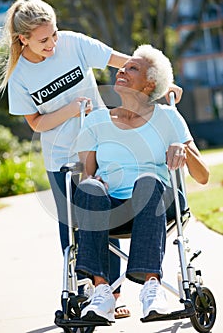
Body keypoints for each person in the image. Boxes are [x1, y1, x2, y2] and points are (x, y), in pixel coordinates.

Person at [0, 0, 183, 319]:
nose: (53, 43)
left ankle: (113, 291)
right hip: (60, 156)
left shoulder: (74, 44)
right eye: (44, 40)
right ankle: (87, 290)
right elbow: (36, 122)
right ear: (23, 39)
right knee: (72, 226)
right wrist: (70, 108)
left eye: (54, 34)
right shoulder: (20, 76)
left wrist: (164, 83)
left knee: (108, 210)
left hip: (103, 143)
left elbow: (125, 63)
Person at [72, 44, 209, 323]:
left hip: (157, 202)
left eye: (132, 68)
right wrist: (90, 181)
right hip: (112, 208)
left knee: (147, 180)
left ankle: (152, 288)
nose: (121, 70)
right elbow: (88, 174)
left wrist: (182, 149)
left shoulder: (169, 117)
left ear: (150, 83)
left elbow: (203, 176)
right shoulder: (96, 120)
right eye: (122, 66)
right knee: (89, 188)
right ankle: (102, 293)